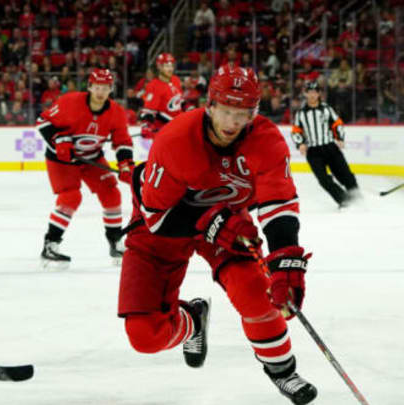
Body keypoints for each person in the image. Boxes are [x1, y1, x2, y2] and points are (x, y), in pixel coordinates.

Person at [118, 66, 318, 405]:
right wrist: (211, 222)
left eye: (242, 114)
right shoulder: (175, 140)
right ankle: (191, 321)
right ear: (210, 106)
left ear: (254, 113)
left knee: (256, 293)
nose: (232, 123)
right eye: (226, 111)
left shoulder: (265, 140)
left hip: (227, 224)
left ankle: (282, 371)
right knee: (144, 335)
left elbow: (278, 203)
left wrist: (286, 260)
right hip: (164, 224)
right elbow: (156, 218)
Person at [36, 68, 134, 269]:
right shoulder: (69, 102)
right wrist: (58, 141)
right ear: (89, 87)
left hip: (91, 158)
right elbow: (42, 122)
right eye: (97, 87)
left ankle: (115, 242)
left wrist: (125, 164)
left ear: (111, 89)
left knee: (111, 193)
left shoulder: (116, 112)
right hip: (61, 159)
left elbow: (122, 141)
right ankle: (50, 245)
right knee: (71, 197)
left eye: (105, 88)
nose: (100, 92)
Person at [291, 81, 359, 208]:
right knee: (324, 180)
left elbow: (337, 123)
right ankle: (344, 200)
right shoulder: (301, 114)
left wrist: (339, 137)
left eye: (314, 92)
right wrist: (300, 143)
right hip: (313, 151)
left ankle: (357, 197)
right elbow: (296, 131)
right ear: (305, 94)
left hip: (330, 147)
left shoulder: (327, 109)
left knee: (345, 174)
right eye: (309, 92)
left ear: (319, 94)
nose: (312, 95)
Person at [139, 53, 183, 140]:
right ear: (159, 67)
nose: (170, 69)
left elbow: (179, 102)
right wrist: (146, 126)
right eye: (167, 66)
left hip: (178, 128)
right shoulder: (153, 86)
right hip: (163, 131)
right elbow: (148, 111)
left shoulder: (176, 80)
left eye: (171, 66)